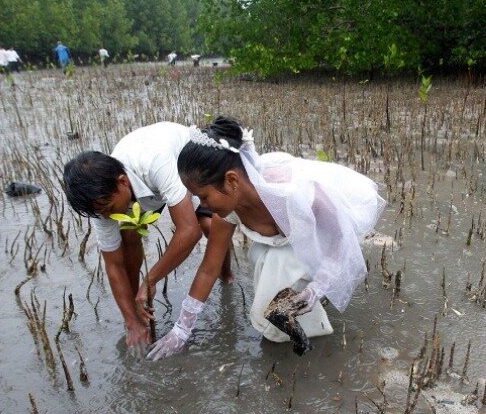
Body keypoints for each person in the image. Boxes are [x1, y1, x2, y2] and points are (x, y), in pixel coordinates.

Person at [146, 117, 386, 360]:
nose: (202, 206)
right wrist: (181, 330)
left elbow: (342, 241)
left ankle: (312, 322)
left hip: (322, 238)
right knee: (265, 262)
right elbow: (209, 269)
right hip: (284, 244)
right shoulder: (226, 213)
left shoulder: (294, 195)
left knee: (279, 265)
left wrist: (317, 288)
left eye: (204, 196)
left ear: (231, 181)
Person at [63, 122, 233, 355]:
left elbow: (189, 232)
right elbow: (113, 264)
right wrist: (132, 321)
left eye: (109, 208)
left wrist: (151, 280)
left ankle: (226, 275)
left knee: (208, 225)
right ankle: (137, 307)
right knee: (129, 234)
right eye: (101, 213)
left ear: (122, 182)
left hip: (184, 163)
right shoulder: (100, 202)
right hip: (144, 187)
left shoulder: (155, 162)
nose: (108, 216)